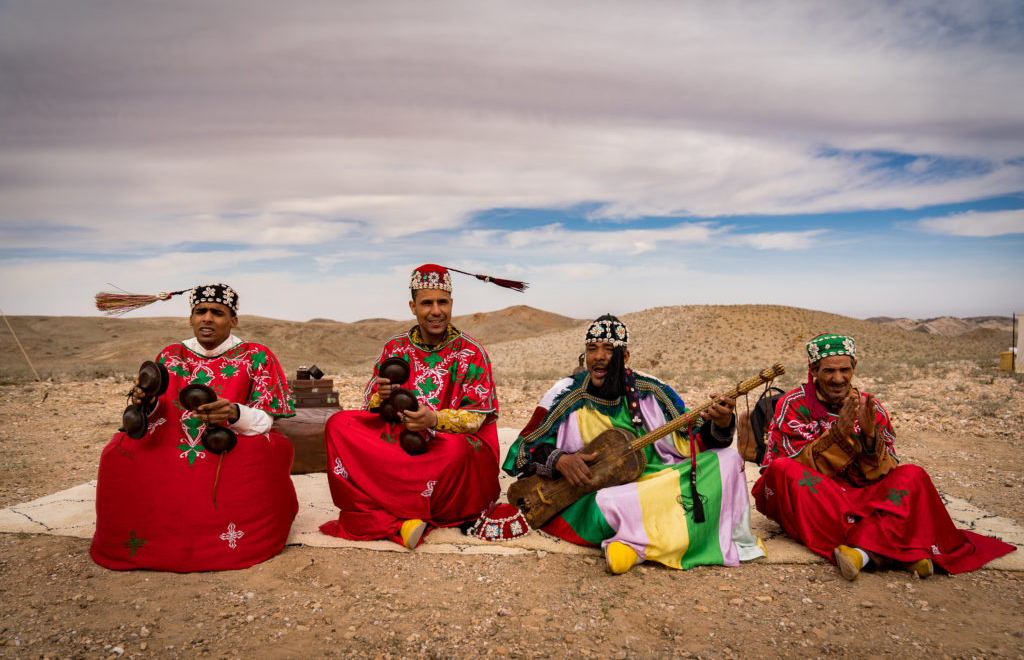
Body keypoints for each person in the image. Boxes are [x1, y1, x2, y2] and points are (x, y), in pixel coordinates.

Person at [503, 315, 766, 574]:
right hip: (598, 494)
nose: (599, 356)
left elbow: (694, 439)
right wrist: (560, 460)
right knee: (610, 503)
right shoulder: (566, 393)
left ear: (624, 357)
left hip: (660, 480)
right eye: (592, 349)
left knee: (728, 460)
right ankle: (657, 540)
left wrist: (720, 423)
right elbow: (523, 450)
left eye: (609, 349)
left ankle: (634, 545)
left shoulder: (653, 391)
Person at [752, 333, 1015, 580]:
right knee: (784, 470)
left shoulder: (868, 406)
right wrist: (838, 437)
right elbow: (788, 464)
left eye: (845, 370)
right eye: (829, 371)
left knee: (913, 475)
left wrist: (868, 438)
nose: (838, 378)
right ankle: (902, 550)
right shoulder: (794, 404)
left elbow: (886, 470)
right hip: (821, 495)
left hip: (863, 493)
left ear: (854, 368)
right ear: (813, 372)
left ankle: (862, 554)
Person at [91, 283, 298, 572]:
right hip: (172, 439)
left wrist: (235, 412)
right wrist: (144, 403)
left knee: (263, 454)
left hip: (231, 439)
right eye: (200, 312)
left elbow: (266, 421)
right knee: (117, 453)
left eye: (218, 312)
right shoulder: (171, 355)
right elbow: (157, 413)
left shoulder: (257, 356)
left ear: (233, 320)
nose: (207, 318)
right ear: (191, 318)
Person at [319, 264, 503, 549]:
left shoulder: (471, 351)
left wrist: (433, 419)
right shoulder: (396, 348)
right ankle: (406, 517)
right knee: (339, 424)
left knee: (458, 450)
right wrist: (380, 395)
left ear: (451, 304)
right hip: (399, 439)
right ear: (413, 307)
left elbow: (476, 419)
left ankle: (385, 516)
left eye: (442, 302)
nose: (436, 311)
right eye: (426, 303)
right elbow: (370, 401)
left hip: (444, 444)